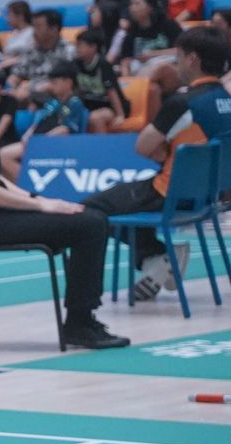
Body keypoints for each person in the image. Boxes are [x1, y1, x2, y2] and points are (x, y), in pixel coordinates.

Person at [0, 46, 127, 350]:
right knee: (90, 225)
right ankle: (80, 324)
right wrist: (39, 205)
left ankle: (81, 320)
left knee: (84, 216)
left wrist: (38, 198)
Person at [85, 27, 230, 302]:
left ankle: (157, 257)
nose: (175, 65)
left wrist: (163, 150)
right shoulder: (227, 100)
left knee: (91, 208)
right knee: (125, 202)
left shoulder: (183, 103)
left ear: (192, 59)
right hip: (212, 197)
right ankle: (160, 260)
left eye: (178, 58)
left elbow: (142, 147)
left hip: (171, 193)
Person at [6, 9, 75, 101]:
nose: (33, 32)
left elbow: (63, 84)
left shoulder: (68, 51)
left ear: (53, 29)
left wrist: (30, 90)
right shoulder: (31, 49)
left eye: (38, 27)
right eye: (33, 27)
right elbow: (16, 74)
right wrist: (9, 88)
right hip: (26, 96)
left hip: (54, 99)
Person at [71, 28, 126, 133]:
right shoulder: (76, 64)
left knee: (95, 118)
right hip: (90, 106)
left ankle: (102, 143)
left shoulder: (103, 65)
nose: (77, 49)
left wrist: (120, 115)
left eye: (81, 45)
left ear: (93, 47)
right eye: (77, 45)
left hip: (109, 107)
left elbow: (112, 92)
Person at [112, 0, 183, 72]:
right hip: (142, 69)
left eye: (137, 4)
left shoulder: (167, 24)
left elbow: (181, 50)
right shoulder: (131, 32)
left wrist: (153, 54)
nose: (132, 8)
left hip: (168, 65)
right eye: (131, 4)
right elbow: (126, 60)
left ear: (150, 8)